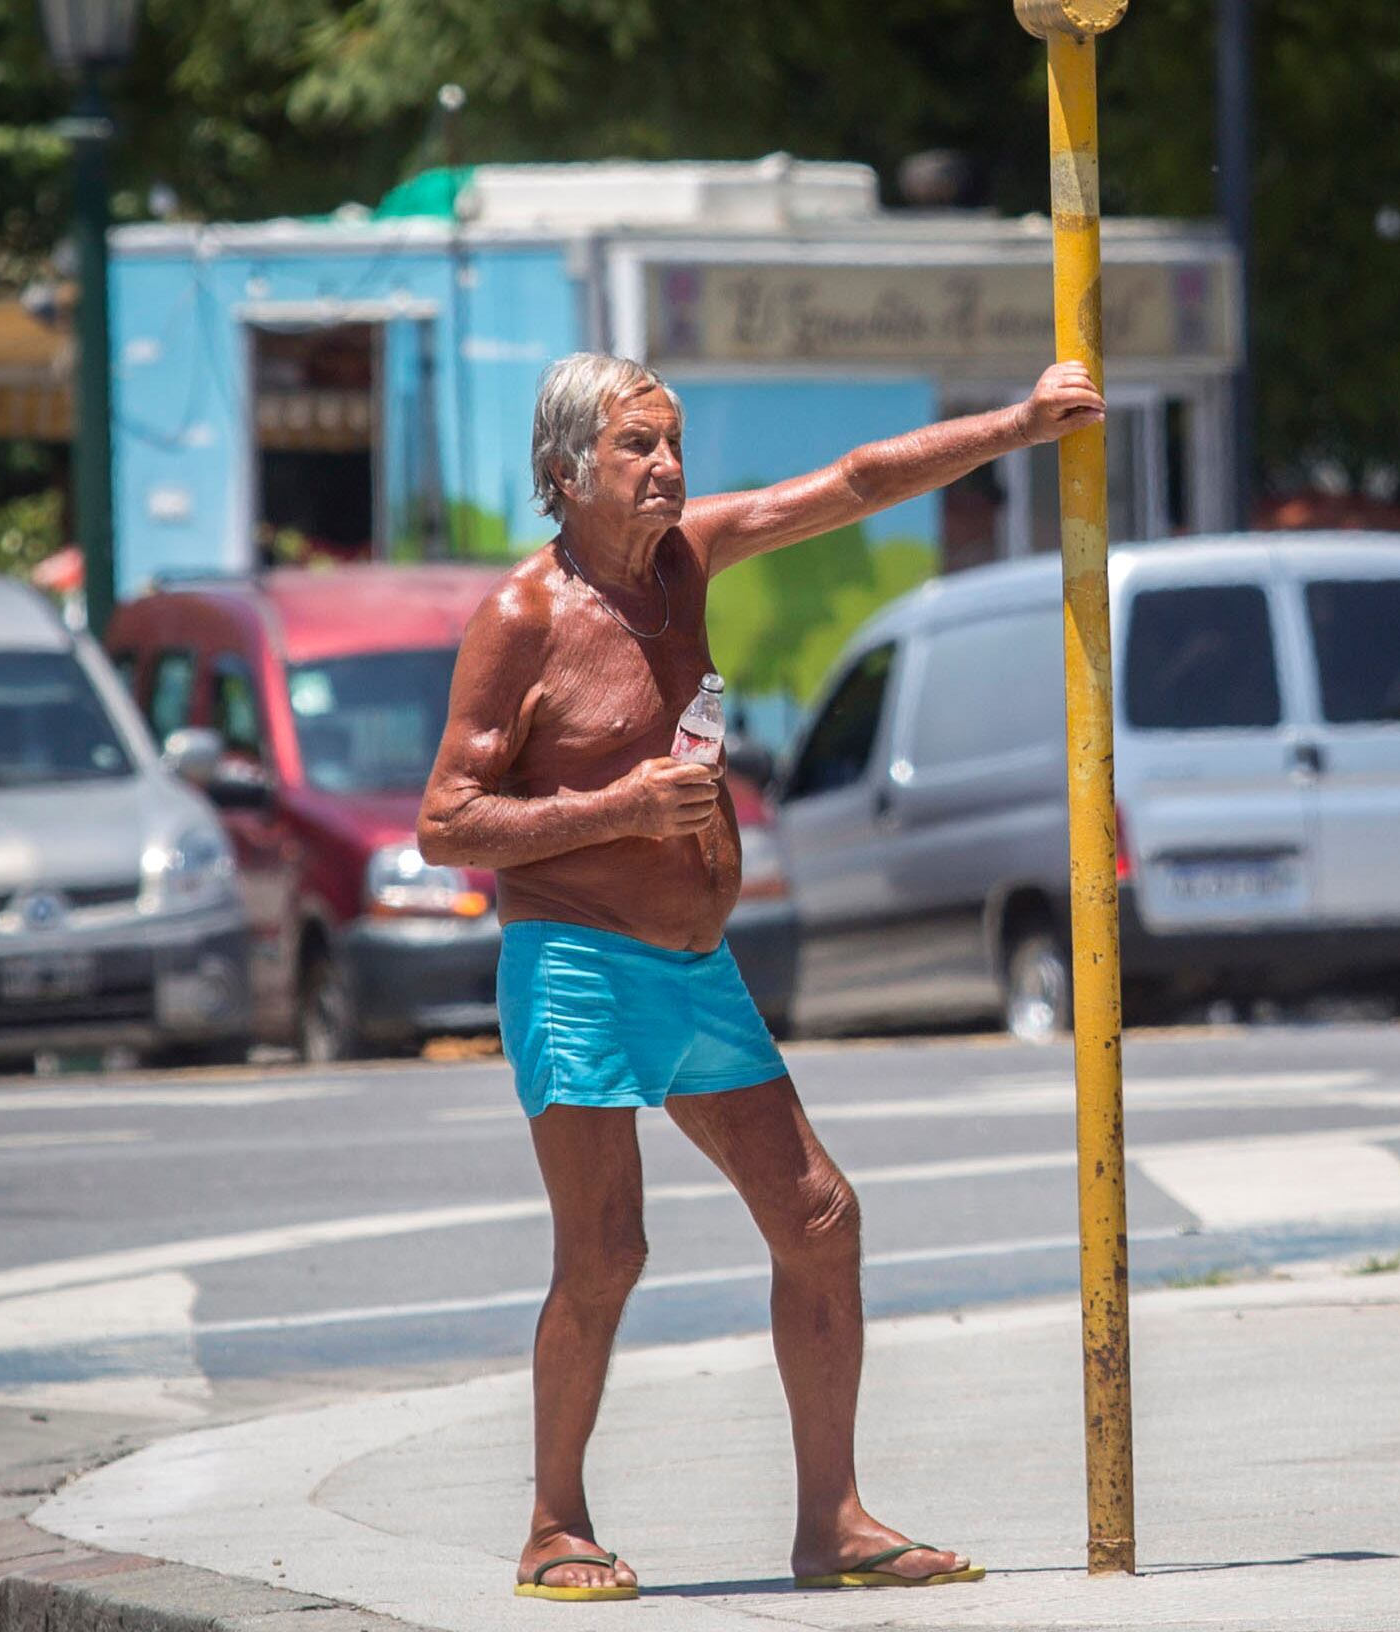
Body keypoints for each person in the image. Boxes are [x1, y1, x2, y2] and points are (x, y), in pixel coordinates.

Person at [417, 352, 1105, 1602]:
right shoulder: (523, 618)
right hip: (572, 957)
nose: (668, 467)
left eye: (673, 442)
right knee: (607, 1247)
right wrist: (623, 807)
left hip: (694, 965)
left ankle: (830, 1523)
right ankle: (551, 1523)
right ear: (564, 474)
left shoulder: (685, 566)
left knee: (821, 1218)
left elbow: (848, 484)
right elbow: (447, 823)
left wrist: (1024, 422)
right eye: (638, 447)